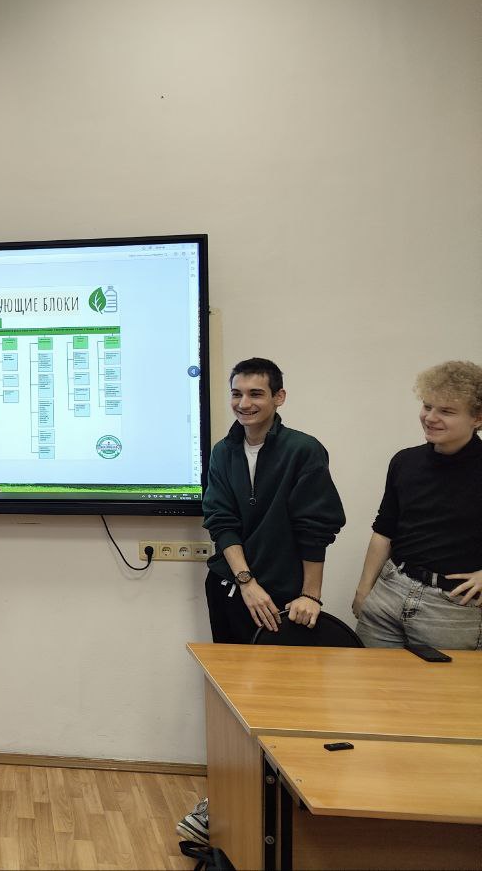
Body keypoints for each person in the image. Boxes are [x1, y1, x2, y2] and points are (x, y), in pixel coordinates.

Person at [179, 358, 345, 847]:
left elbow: (317, 525)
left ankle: (282, 810)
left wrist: (310, 594)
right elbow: (220, 520)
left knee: (282, 704)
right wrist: (245, 580)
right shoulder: (223, 451)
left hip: (286, 598)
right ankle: (230, 802)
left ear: (278, 397)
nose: (244, 403)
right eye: (237, 393)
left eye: (256, 393)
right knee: (234, 701)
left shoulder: (303, 450)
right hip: (232, 590)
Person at [352, 360, 482, 649]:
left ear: (477, 417)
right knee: (372, 676)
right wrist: (364, 590)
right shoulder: (405, 461)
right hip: (389, 592)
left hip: (453, 608)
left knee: (441, 682)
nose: (430, 418)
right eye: (427, 406)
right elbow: (384, 531)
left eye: (446, 411)